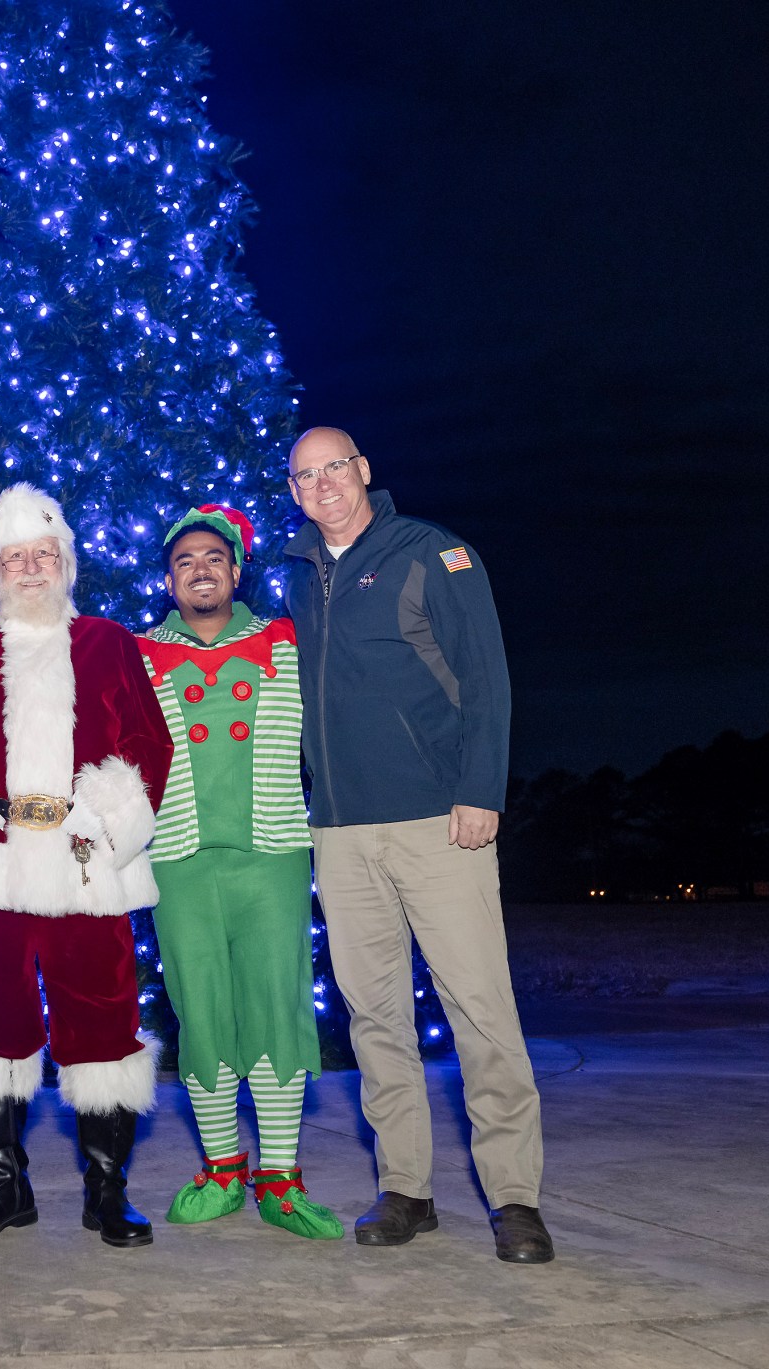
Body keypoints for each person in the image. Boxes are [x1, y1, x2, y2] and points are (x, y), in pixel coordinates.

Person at [281, 426, 553, 1264]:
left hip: (439, 820)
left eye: (337, 467)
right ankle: (406, 1188)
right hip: (341, 831)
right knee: (375, 1016)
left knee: (479, 1006)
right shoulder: (298, 577)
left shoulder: (430, 552)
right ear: (293, 491)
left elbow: (487, 677)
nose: (324, 484)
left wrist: (480, 791)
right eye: (306, 474)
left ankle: (514, 1197)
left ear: (364, 471)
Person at [0, 482, 173, 1248]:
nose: (29, 567)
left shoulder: (109, 641)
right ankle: (2, 1185)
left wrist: (111, 807)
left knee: (105, 1020)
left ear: (65, 562)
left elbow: (151, 742)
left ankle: (106, 1189)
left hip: (89, 867)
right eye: (15, 556)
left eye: (42, 554)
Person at [137, 505, 342, 1240]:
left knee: (278, 1005)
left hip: (272, 855)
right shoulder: (135, 656)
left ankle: (279, 1176)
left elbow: (339, 720)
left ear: (235, 570)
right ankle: (223, 1164)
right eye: (185, 560)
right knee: (200, 1008)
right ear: (168, 577)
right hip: (178, 858)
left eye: (213, 558)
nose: (200, 569)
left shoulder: (287, 641)